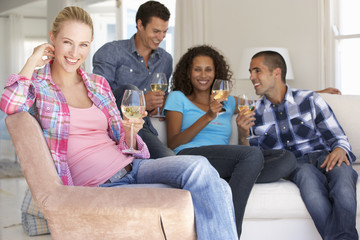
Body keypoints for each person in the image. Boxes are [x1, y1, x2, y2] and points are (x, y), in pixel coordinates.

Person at [0, 7, 239, 239]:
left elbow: (124, 142)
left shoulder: (97, 85)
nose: (75, 53)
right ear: (52, 39)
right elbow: (10, 105)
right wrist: (32, 60)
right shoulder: (39, 87)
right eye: (67, 42)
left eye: (83, 44)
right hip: (101, 187)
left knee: (200, 167)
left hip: (133, 167)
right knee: (208, 191)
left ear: (90, 44)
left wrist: (130, 131)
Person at [164, 45, 297, 237]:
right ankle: (230, 230)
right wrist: (208, 116)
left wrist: (317, 91)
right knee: (251, 155)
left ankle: (227, 179)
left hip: (223, 163)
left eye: (208, 69)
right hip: (190, 158)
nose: (203, 75)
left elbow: (258, 102)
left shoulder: (228, 101)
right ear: (188, 72)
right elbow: (173, 143)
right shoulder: (178, 98)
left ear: (216, 72)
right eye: (197, 69)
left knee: (287, 159)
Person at [237, 50, 358, 239]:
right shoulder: (254, 114)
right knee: (309, 185)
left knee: (343, 178)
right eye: (251, 72)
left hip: (324, 155)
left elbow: (338, 137)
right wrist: (243, 135)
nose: (251, 77)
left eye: (256, 71)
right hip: (295, 165)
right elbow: (255, 160)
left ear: (276, 72)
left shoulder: (310, 100)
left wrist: (340, 149)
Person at [93, 1, 173, 159]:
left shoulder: (165, 59)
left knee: (169, 159)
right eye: (156, 31)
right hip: (116, 120)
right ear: (140, 25)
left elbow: (163, 95)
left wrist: (161, 104)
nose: (161, 37)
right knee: (131, 90)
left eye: (164, 32)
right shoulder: (112, 51)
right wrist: (141, 99)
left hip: (143, 125)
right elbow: (99, 96)